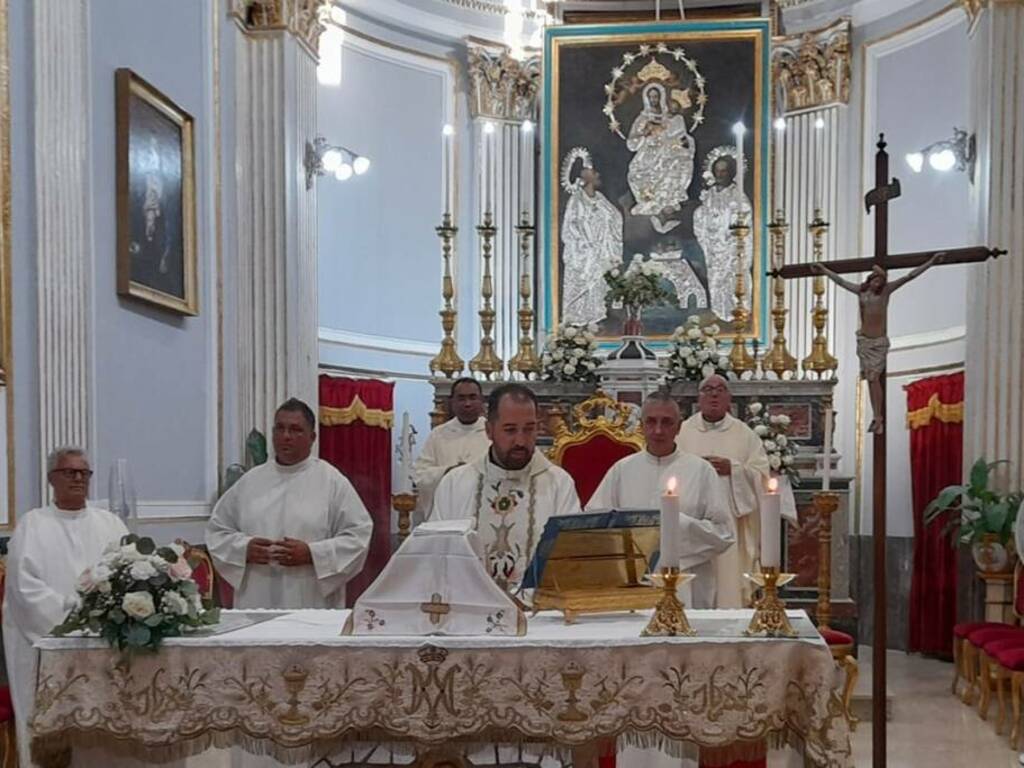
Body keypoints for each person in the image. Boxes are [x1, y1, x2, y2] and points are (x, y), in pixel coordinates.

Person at [3, 448, 128, 768]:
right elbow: (24, 590)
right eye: (68, 472)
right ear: (51, 479)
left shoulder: (111, 524)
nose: (77, 478)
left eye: (84, 473)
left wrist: (107, 616)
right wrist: (77, 616)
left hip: (104, 646)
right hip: (47, 646)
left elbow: (128, 575)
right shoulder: (32, 525)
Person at [206, 397, 373, 609]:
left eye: (295, 430)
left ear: (312, 437)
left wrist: (312, 554)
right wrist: (244, 548)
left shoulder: (332, 481)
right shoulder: (250, 481)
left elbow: (359, 536)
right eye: (280, 428)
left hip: (310, 598)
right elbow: (217, 532)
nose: (286, 436)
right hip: (257, 597)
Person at [587, 391, 734, 609]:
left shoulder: (701, 471)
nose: (658, 430)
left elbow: (724, 533)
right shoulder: (622, 470)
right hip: (630, 584)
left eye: (667, 422)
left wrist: (679, 526)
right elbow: (592, 524)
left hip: (687, 583)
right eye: (651, 421)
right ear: (641, 425)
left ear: (679, 426)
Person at [429, 383, 581, 592]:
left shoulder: (558, 484)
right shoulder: (456, 484)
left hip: (538, 613)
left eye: (529, 429)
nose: (521, 440)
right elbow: (436, 554)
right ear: (489, 430)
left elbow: (572, 559)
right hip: (471, 611)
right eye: (510, 430)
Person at [677, 375, 780, 608]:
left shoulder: (745, 434)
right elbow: (671, 473)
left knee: (727, 577)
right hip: (693, 520)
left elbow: (761, 474)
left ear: (729, 398)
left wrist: (733, 469)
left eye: (720, 389)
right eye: (708, 390)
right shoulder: (682, 431)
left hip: (730, 520)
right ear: (699, 397)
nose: (714, 394)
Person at [811, 253, 940, 434]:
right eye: (875, 280)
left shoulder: (886, 292)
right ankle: (876, 417)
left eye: (880, 281)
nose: (877, 283)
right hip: (864, 343)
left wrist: (931, 262)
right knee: (870, 380)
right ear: (870, 279)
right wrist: (824, 270)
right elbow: (840, 281)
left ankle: (878, 416)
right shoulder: (860, 292)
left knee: (873, 378)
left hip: (878, 343)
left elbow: (909, 276)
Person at [560, 148, 623, 325]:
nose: (598, 175)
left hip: (600, 253)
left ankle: (595, 319)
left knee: (598, 288)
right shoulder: (577, 200)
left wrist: (604, 236)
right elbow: (571, 226)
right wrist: (585, 243)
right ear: (587, 176)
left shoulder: (600, 198)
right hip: (584, 254)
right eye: (594, 173)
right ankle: (578, 321)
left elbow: (614, 217)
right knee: (584, 285)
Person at [413, 377, 490, 519]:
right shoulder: (438, 434)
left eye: (473, 397)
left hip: (483, 511)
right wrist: (447, 472)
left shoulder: (492, 433)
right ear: (452, 402)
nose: (467, 403)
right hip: (446, 512)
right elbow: (420, 474)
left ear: (482, 401)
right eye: (461, 398)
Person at [693, 151, 752, 320]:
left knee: (732, 277)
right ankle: (719, 310)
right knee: (715, 278)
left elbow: (742, 219)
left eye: (724, 171)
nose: (720, 174)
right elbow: (702, 214)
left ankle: (736, 310)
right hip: (713, 246)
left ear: (731, 173)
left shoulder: (737, 195)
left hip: (730, 246)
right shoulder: (710, 194)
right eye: (717, 171)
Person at [627, 82, 695, 223]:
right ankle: (646, 202)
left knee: (673, 166)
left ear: (661, 97)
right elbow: (631, 143)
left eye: (656, 96)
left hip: (666, 152)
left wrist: (678, 142)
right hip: (646, 155)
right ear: (646, 99)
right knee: (634, 174)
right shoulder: (642, 119)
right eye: (651, 97)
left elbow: (680, 136)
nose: (654, 100)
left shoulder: (670, 118)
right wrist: (646, 133)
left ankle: (665, 202)